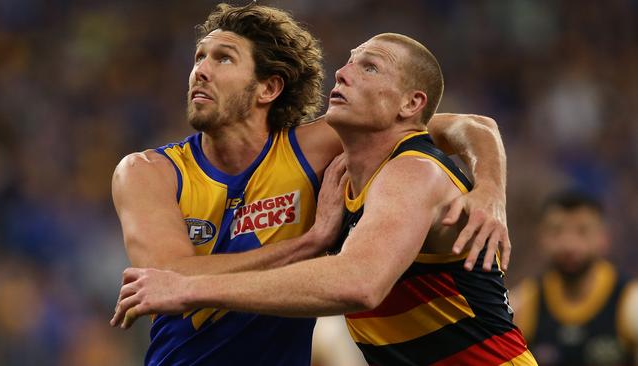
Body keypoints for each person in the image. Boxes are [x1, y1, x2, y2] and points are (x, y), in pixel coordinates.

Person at [111, 31, 534, 365]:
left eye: (368, 67)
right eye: (348, 61)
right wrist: (310, 242)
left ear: (410, 103)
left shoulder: (411, 170)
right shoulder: (344, 171)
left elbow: (358, 282)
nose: (343, 72)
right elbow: (162, 276)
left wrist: (491, 189)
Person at [510, 190, 638, 365]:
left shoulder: (630, 301)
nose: (569, 244)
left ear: (604, 238)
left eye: (582, 231)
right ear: (541, 238)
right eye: (557, 231)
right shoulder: (522, 303)